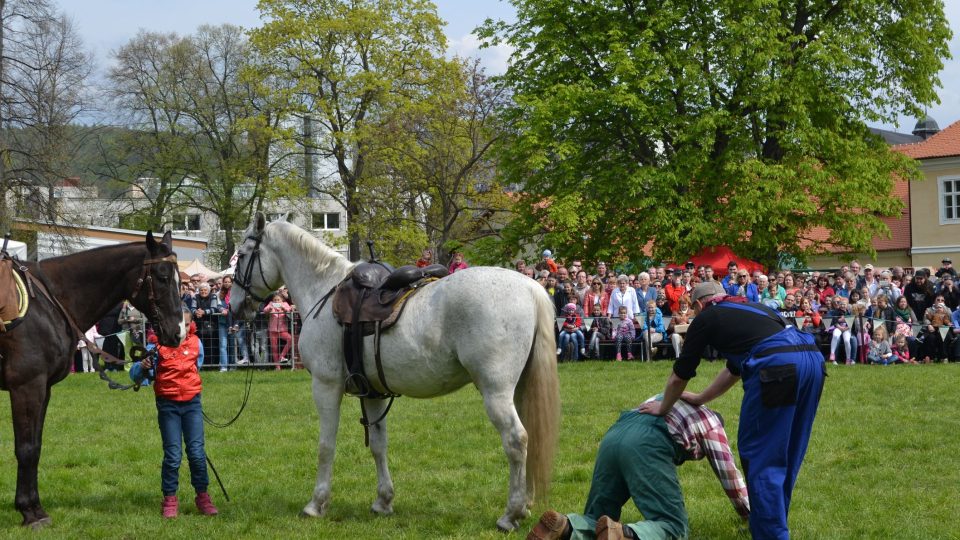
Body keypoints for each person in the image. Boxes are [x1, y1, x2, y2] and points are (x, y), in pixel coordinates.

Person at [637, 281, 824, 540]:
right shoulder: (752, 308)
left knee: (761, 455)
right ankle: (769, 522)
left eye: (694, 310)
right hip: (812, 360)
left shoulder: (707, 317)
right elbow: (736, 368)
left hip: (777, 365)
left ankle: (771, 534)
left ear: (700, 305)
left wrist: (663, 407)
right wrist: (701, 397)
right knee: (789, 451)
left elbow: (679, 376)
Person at [526, 395, 749, 540]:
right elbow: (730, 476)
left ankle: (565, 526)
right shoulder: (712, 424)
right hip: (647, 442)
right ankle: (623, 535)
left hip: (614, 436)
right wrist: (750, 515)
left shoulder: (669, 398)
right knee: (673, 526)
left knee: (599, 514)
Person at [129, 308, 217, 519]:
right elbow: (136, 375)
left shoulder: (196, 343)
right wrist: (143, 366)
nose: (183, 329)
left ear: (191, 325)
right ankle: (169, 498)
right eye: (179, 325)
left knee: (196, 453)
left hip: (192, 403)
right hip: (168, 405)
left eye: (186, 325)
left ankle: (202, 495)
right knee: (173, 455)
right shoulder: (155, 346)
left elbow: (197, 366)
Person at [263, 293, 294, 369]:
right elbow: (264, 310)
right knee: (274, 348)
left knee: (291, 339)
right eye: (275, 300)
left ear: (282, 300)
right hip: (272, 330)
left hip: (282, 329)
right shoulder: (271, 304)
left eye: (278, 300)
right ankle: (277, 367)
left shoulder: (285, 304)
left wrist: (284, 308)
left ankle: (281, 356)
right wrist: (270, 308)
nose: (276, 301)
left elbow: (289, 309)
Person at [667, 294, 694, 359]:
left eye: (685, 303)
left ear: (688, 304)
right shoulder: (675, 313)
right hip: (678, 333)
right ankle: (678, 356)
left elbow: (696, 324)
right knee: (675, 336)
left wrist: (687, 324)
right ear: (680, 304)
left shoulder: (693, 312)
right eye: (682, 303)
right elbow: (670, 326)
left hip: (689, 334)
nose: (684, 305)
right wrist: (678, 326)